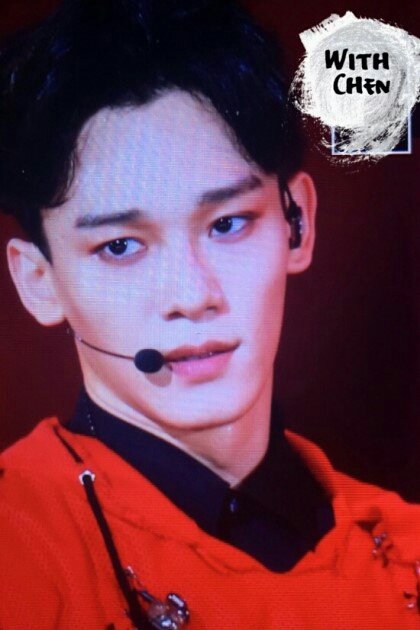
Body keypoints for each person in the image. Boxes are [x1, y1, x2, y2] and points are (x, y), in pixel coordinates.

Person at [0, 1, 419, 628]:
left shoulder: (405, 547)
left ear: (297, 224)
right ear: (39, 281)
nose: (193, 296)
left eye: (227, 224)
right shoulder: (18, 547)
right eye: (121, 246)